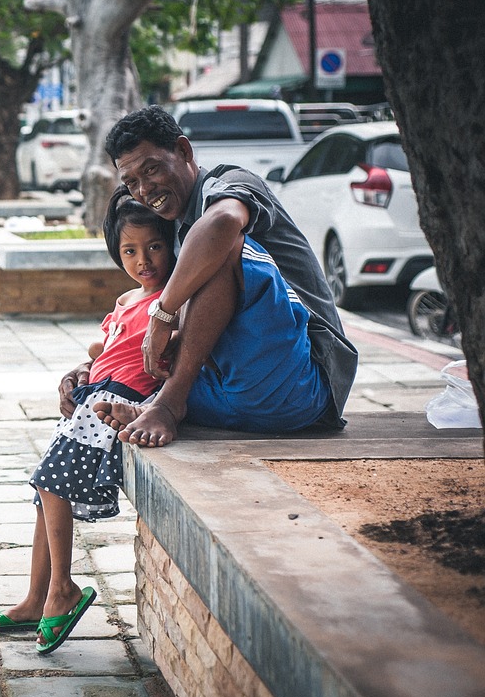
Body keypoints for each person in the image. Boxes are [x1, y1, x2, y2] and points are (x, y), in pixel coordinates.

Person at [0, 193, 175, 653]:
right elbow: (103, 351)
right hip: (90, 401)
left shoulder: (171, 300)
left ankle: (61, 588)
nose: (144, 261)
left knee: (50, 483)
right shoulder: (126, 300)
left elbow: (166, 358)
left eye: (155, 247)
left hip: (114, 406)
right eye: (130, 251)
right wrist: (81, 372)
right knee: (46, 496)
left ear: (172, 244)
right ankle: (34, 599)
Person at [91, 105, 358, 447]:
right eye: (131, 182)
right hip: (220, 395)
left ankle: (168, 403)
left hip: (300, 384)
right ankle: (160, 403)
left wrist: (163, 313)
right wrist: (91, 371)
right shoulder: (173, 228)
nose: (144, 190)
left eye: (152, 169)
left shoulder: (232, 183)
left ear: (184, 151)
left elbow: (223, 223)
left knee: (222, 244)